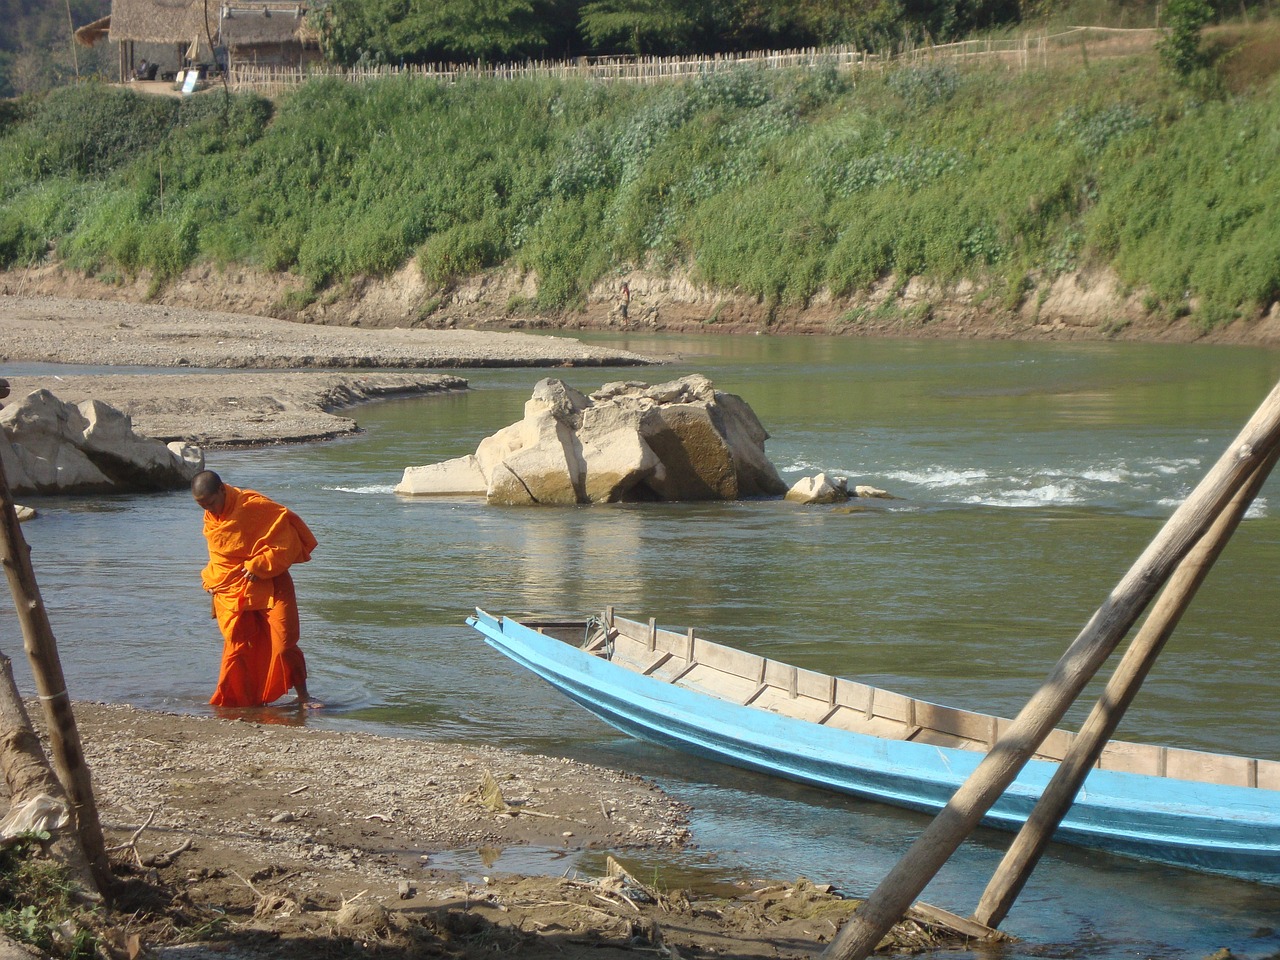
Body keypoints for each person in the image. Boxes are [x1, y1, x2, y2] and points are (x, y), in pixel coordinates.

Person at [192, 470, 318, 708]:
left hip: (271, 582)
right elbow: (221, 558)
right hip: (233, 589)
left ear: (221, 490)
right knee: (238, 648)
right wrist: (213, 583)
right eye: (201, 506)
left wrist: (260, 563)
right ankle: (238, 702)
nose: (208, 510)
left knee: (284, 643)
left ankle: (304, 696)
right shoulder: (211, 518)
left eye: (210, 503)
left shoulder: (252, 506)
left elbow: (287, 539)